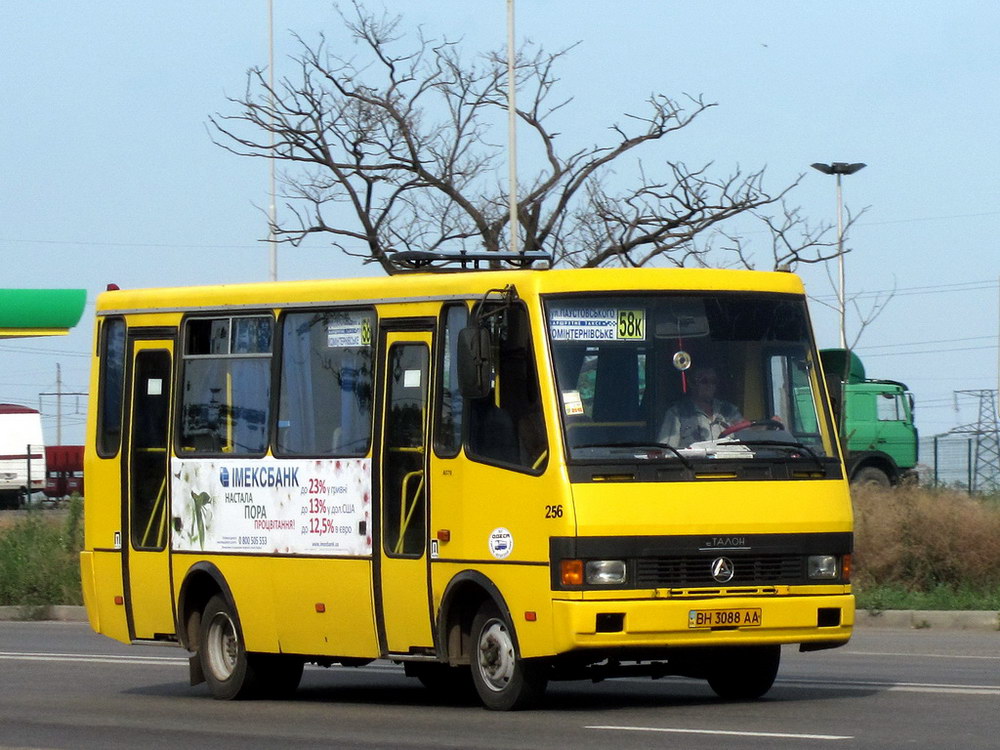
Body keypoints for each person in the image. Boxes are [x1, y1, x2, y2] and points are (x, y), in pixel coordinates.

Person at [658, 365, 743, 448]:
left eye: (713, 381)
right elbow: (667, 451)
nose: (710, 385)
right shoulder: (677, 413)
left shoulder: (730, 411)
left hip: (729, 462)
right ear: (691, 383)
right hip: (693, 462)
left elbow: (748, 439)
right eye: (704, 381)